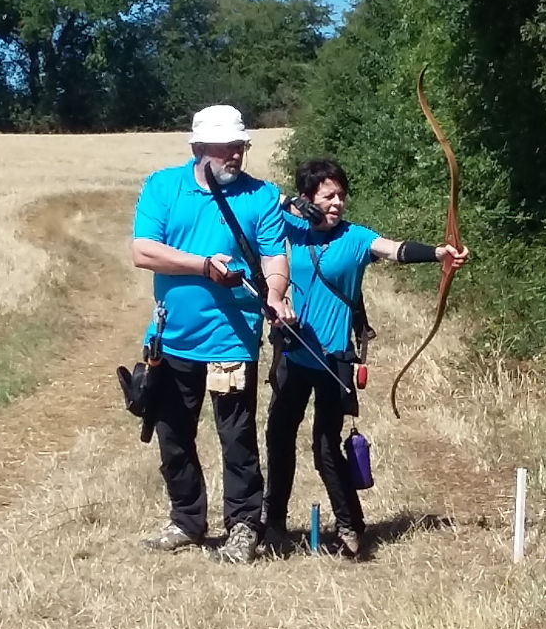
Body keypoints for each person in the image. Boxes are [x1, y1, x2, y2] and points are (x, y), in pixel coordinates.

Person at [261, 158, 469, 558]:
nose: (338, 202)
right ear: (308, 199)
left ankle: (350, 526)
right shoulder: (288, 229)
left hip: (334, 360)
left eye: (341, 195)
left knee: (325, 448)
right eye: (328, 196)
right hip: (293, 353)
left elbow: (394, 250)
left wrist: (439, 252)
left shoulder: (356, 238)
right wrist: (291, 205)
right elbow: (261, 201)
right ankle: (273, 524)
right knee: (278, 438)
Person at [131, 104, 296, 564]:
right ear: (199, 149)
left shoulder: (261, 197)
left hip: (233, 339)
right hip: (173, 338)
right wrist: (204, 267)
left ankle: (244, 526)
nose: (236, 156)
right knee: (173, 436)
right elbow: (144, 251)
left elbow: (274, 258)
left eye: (240, 147)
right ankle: (187, 519)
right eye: (227, 148)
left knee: (237, 438)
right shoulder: (163, 187)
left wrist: (278, 294)